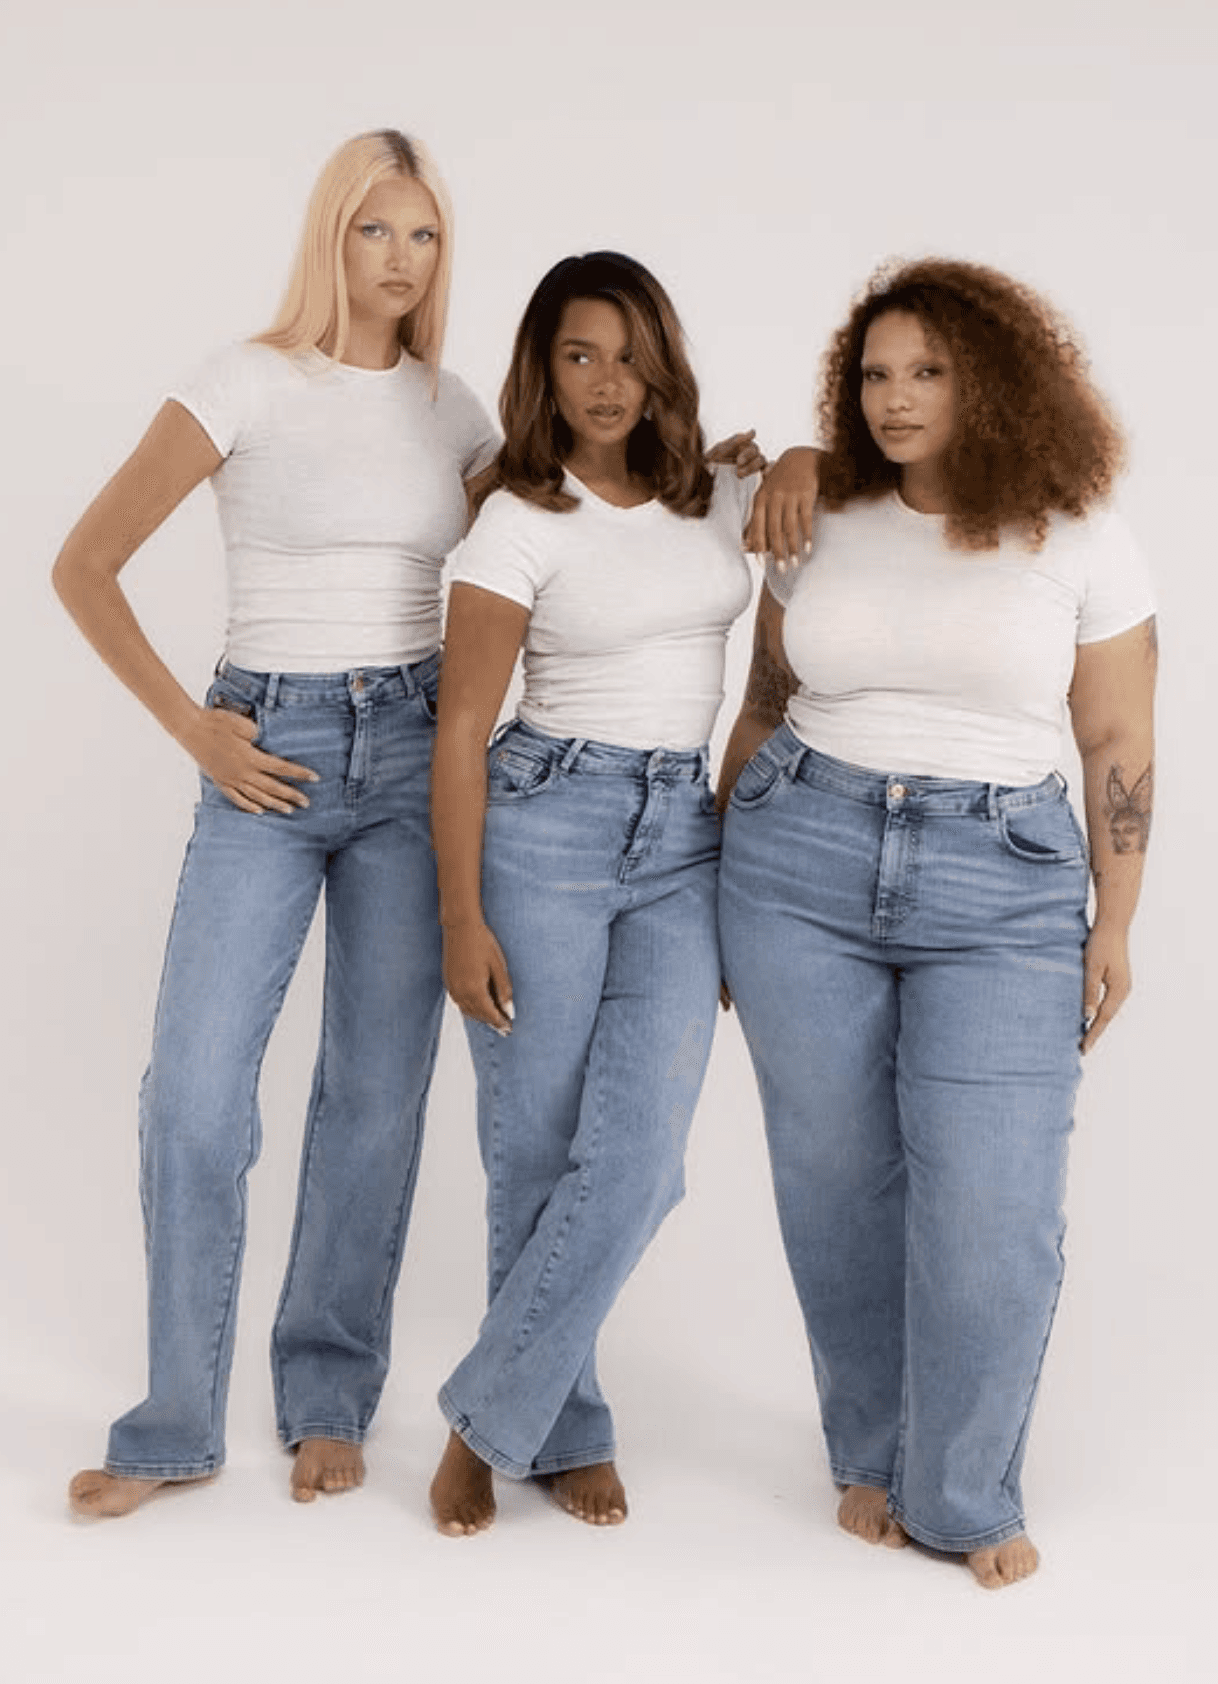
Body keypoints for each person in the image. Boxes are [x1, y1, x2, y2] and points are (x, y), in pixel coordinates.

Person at [53, 129, 500, 1517]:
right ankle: (174, 1421)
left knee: (372, 1095)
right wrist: (192, 729)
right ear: (330, 236)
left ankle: (326, 1393)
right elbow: (84, 564)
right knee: (193, 1098)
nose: (400, 258)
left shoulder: (456, 411)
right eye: (375, 229)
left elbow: (565, 530)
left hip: (411, 754)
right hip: (266, 751)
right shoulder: (241, 381)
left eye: (423, 235)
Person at [717, 259, 1156, 1589]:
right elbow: (763, 699)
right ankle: (871, 1450)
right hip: (796, 860)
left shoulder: (1079, 535)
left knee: (992, 1209)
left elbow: (1117, 740)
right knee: (834, 1187)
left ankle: (962, 1490)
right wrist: (715, 864)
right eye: (874, 374)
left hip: (1003, 887)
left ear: (996, 383)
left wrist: (1113, 923)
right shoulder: (823, 513)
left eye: (928, 371)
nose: (894, 397)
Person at [426, 250, 773, 1536]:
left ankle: (483, 1418)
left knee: (640, 1159)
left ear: (662, 366)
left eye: (628, 356)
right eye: (579, 355)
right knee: (533, 1151)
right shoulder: (518, 522)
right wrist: (461, 918)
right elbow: (460, 731)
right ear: (545, 371)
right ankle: (561, 1426)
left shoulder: (720, 496)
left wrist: (794, 458)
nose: (607, 381)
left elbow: (831, 497)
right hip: (544, 828)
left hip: (684, 840)